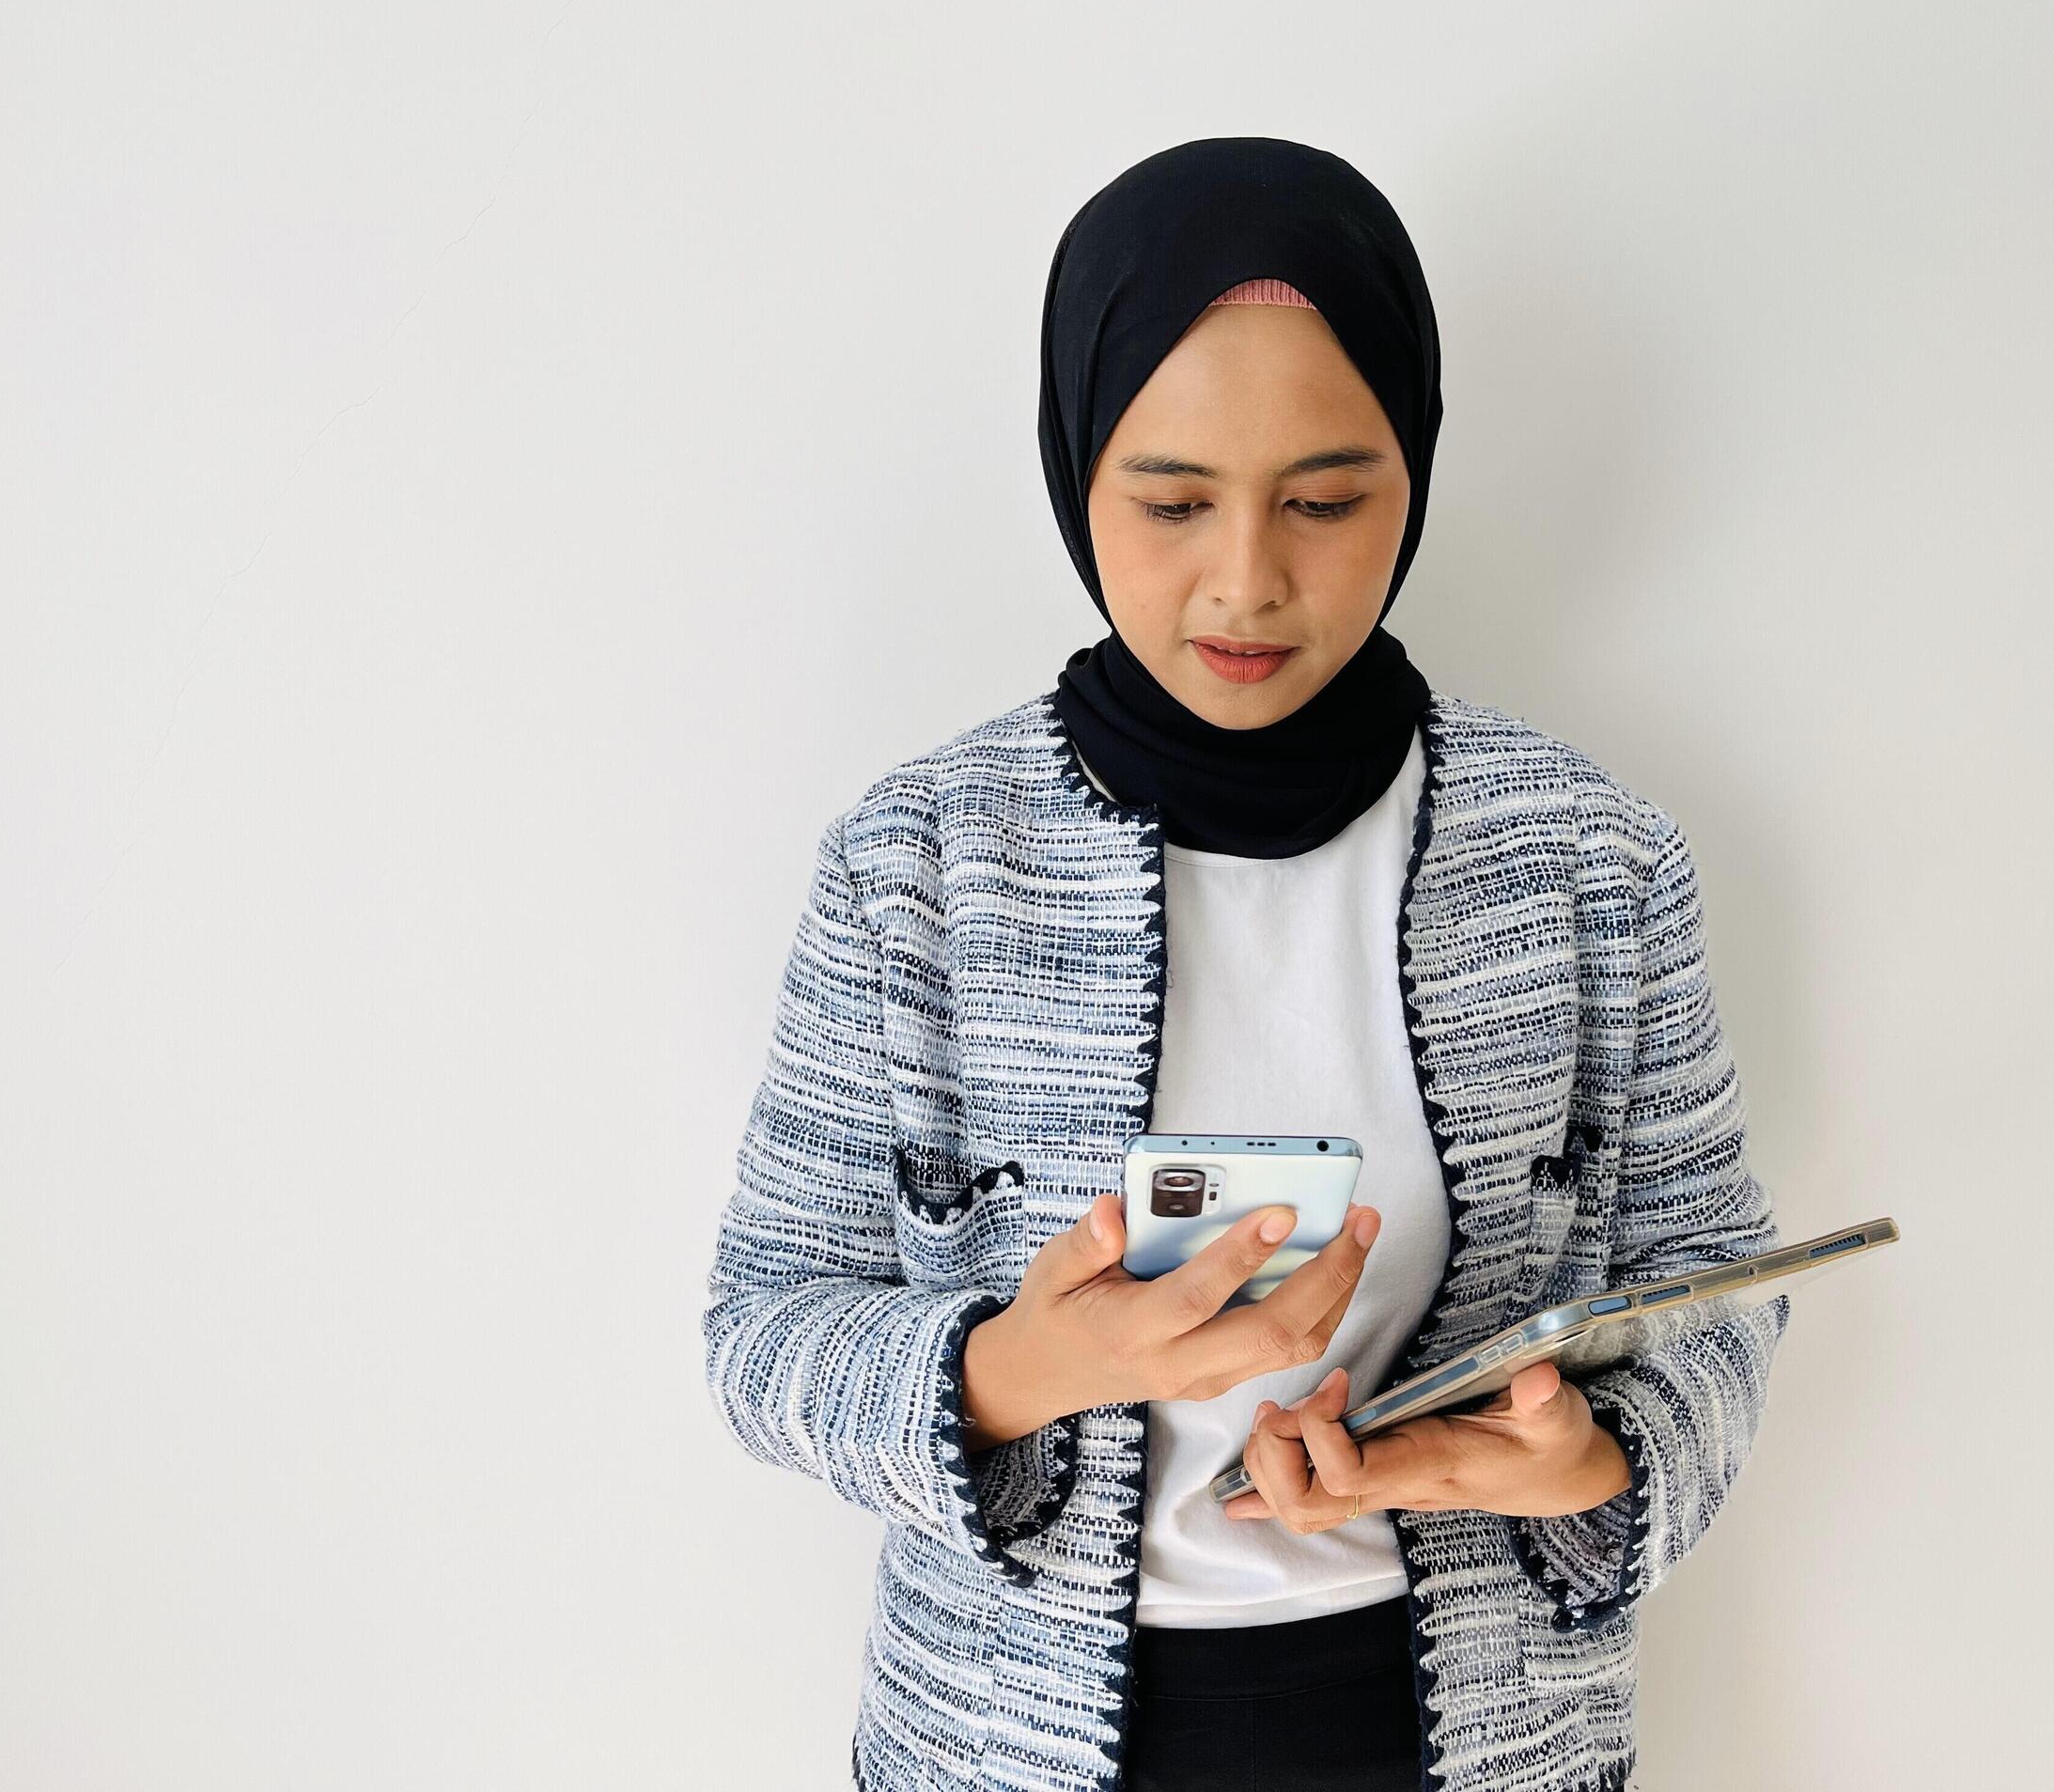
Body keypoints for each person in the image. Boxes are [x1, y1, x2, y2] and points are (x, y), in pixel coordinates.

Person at [703, 135, 1788, 1792]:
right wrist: (1019, 1369)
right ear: (1078, 470)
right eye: (1173, 499)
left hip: (1487, 1745)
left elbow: (1708, 1275)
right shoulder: (918, 870)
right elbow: (762, 1331)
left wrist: (1591, 1462)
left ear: (1413, 475)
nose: (1247, 580)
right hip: (1003, 1744)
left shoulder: (1588, 861)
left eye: (1326, 498)